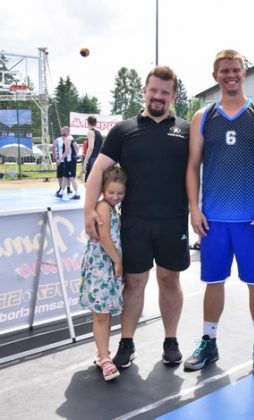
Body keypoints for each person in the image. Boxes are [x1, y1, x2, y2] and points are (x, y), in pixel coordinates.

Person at [84, 66, 190, 368]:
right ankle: (126, 343)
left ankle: (171, 341)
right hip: (135, 222)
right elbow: (96, 172)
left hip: (173, 220)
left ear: (173, 95)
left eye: (165, 92)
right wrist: (88, 212)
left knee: (170, 280)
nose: (158, 96)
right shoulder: (123, 130)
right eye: (154, 90)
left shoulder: (186, 130)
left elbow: (198, 171)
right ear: (144, 91)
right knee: (133, 283)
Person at [184, 49, 254, 375]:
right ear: (216, 76)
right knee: (214, 282)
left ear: (244, 73)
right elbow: (192, 165)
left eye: (236, 70)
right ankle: (209, 342)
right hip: (213, 219)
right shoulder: (203, 117)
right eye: (224, 70)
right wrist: (194, 209)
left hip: (253, 218)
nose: (231, 75)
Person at [79, 165, 127, 381]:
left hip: (107, 266)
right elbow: (105, 237)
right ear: (102, 191)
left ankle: (103, 354)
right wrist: (117, 261)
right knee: (100, 314)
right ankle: (105, 358)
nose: (115, 196)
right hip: (102, 265)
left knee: (105, 313)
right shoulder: (104, 207)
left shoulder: (113, 208)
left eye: (120, 193)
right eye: (111, 192)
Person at [56, 126, 80, 199]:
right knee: (65, 177)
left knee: (72, 178)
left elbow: (66, 151)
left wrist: (60, 159)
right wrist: (74, 155)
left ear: (67, 131)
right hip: (70, 160)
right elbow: (77, 147)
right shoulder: (71, 138)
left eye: (63, 131)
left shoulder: (67, 139)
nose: (61, 133)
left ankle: (77, 194)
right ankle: (61, 193)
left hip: (69, 161)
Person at [82, 116, 103, 181]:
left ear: (87, 123)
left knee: (90, 180)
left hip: (93, 158)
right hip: (98, 157)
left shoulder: (90, 132)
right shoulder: (99, 133)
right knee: (96, 179)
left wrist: (85, 161)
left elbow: (91, 147)